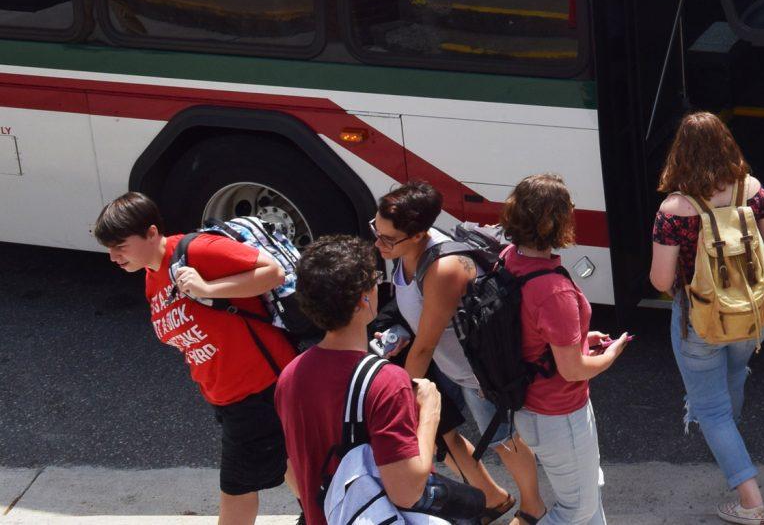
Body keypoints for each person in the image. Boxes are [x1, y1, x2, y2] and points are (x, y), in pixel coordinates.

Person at [94, 193, 296, 525]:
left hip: (258, 390)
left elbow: (271, 272)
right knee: (290, 461)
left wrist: (208, 288)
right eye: (109, 248)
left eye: (120, 246)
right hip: (226, 395)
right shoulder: (150, 275)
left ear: (152, 233)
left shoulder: (196, 251)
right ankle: (324, 515)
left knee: (236, 490)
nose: (113, 257)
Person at [648, 113, 764, 525]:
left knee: (710, 411)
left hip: (699, 321)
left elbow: (661, 279)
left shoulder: (674, 209)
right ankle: (726, 435)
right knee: (733, 378)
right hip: (750, 312)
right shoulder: (752, 191)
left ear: (681, 154)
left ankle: (751, 502)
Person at [276, 235, 483, 525]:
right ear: (364, 297)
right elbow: (408, 491)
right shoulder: (387, 382)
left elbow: (293, 471)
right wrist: (430, 413)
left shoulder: (290, 374)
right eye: (374, 278)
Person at [375, 182, 536, 524]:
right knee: (444, 431)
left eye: (388, 238)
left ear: (419, 234)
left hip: (477, 371)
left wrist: (399, 398)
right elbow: (413, 314)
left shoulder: (442, 268)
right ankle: (494, 499)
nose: (379, 243)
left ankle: (533, 507)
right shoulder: (403, 251)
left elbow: (426, 343)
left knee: (503, 439)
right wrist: (398, 331)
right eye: (377, 230)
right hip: (447, 366)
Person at [501, 174, 627, 525]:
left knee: (588, 497)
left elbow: (531, 334)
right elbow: (572, 370)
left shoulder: (510, 259)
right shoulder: (553, 290)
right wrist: (610, 354)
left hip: (531, 406)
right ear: (556, 220)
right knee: (578, 510)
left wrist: (577, 341)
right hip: (560, 415)